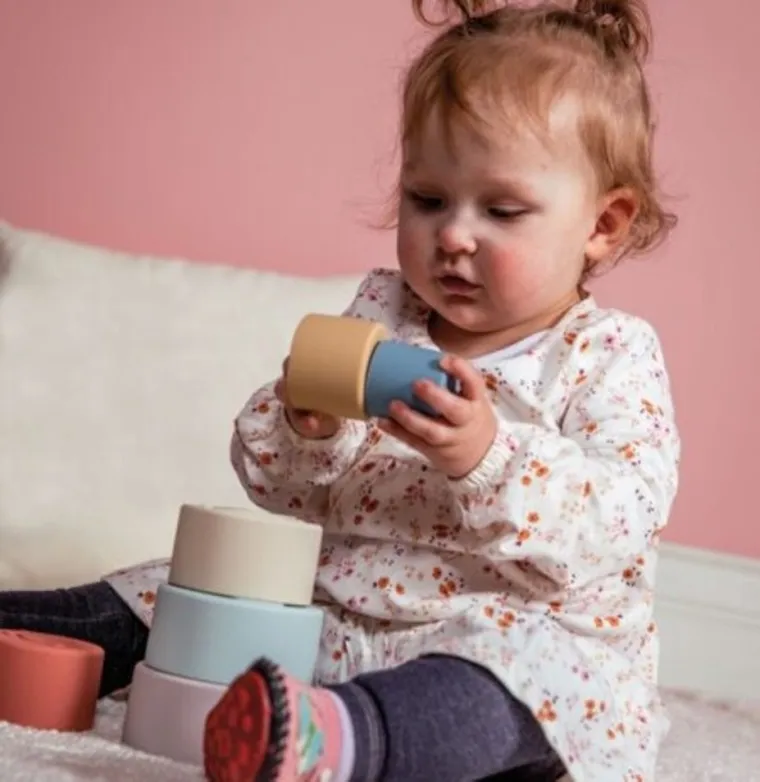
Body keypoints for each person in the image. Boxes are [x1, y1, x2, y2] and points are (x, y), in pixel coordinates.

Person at [0, 0, 680, 780]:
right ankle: (37, 627)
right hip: (333, 615)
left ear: (603, 223)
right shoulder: (385, 313)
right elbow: (284, 493)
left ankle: (334, 738)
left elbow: (621, 514)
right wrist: (308, 428)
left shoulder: (608, 354)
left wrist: (487, 456)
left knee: (511, 683)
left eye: (501, 210)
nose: (454, 235)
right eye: (428, 199)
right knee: (176, 592)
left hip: (498, 630)